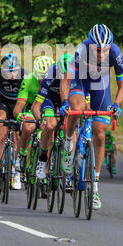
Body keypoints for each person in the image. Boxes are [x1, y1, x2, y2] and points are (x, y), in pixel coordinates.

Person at [60, 23, 123, 210]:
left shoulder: (116, 53)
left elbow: (122, 86)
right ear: (90, 45)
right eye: (98, 50)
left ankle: (95, 185)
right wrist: (65, 102)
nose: (102, 54)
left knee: (99, 134)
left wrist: (116, 105)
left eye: (105, 50)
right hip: (80, 83)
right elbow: (65, 80)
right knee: (77, 107)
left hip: (101, 89)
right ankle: (68, 140)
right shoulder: (81, 50)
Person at [13, 55, 54, 190]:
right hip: (31, 108)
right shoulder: (29, 80)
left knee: (50, 131)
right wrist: (20, 116)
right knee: (28, 127)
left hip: (48, 107)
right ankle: (22, 155)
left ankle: (48, 169)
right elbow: (18, 107)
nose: (43, 81)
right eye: (40, 78)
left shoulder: (54, 79)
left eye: (45, 78)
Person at [32, 54, 74, 182]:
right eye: (62, 77)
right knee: (50, 125)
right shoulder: (50, 74)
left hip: (67, 100)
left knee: (71, 128)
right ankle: (43, 158)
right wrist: (40, 120)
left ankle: (69, 161)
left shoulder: (78, 74)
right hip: (49, 99)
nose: (65, 81)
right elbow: (36, 105)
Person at [0, 54, 26, 189]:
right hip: (3, 102)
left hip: (18, 104)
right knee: (0, 121)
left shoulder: (24, 75)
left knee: (20, 136)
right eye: (9, 71)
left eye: (15, 70)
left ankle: (17, 174)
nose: (12, 74)